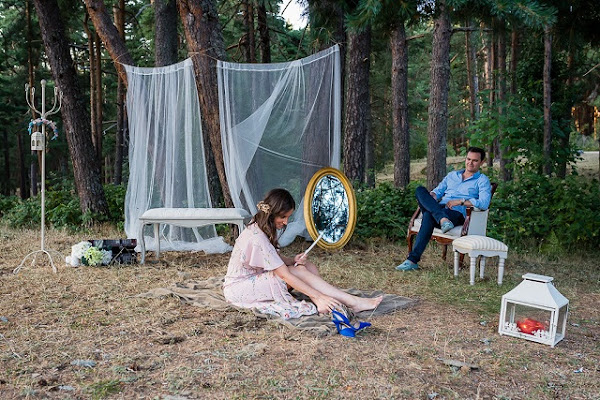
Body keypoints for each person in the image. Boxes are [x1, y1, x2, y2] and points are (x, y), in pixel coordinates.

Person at [223, 188, 383, 319]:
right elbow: (285, 275)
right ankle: (349, 301)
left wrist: (292, 260)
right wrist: (317, 294)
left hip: (258, 277)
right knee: (296, 271)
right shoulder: (257, 237)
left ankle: (326, 301)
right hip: (239, 289)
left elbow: (271, 258)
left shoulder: (263, 226)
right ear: (271, 213)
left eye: (288, 217)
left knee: (308, 267)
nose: (286, 222)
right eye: (283, 217)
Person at [396, 147, 492, 271]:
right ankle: (442, 219)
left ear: (482, 162)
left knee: (428, 215)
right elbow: (437, 192)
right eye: (468, 159)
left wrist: (461, 201)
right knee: (420, 190)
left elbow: (484, 203)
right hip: (440, 208)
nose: (470, 163)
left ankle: (412, 260)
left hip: (456, 213)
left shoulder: (482, 180)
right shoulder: (452, 175)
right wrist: (430, 197)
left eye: (475, 160)